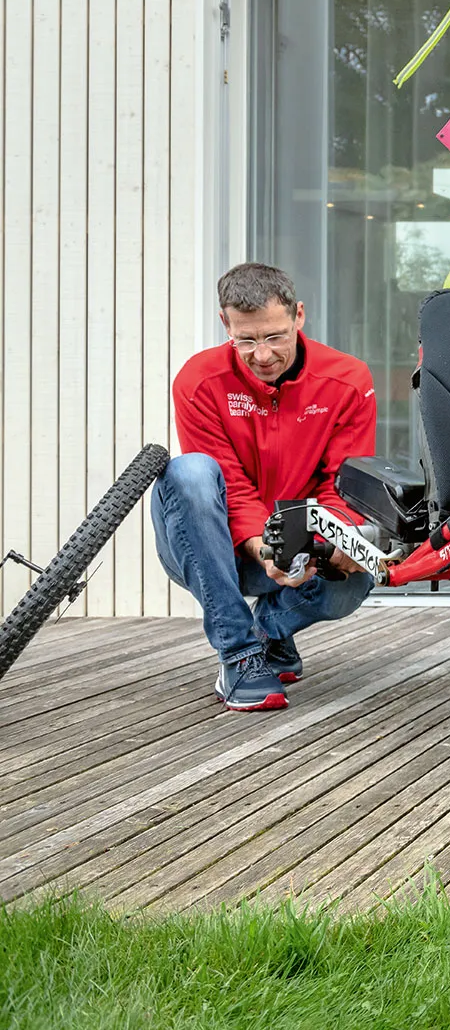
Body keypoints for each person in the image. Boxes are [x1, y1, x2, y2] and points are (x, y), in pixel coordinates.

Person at [151, 264, 377, 711]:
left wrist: (333, 541)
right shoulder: (198, 381)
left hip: (297, 538)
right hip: (211, 548)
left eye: (274, 336)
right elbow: (228, 488)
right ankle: (239, 652)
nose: (262, 355)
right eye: (247, 340)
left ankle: (271, 633)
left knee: (358, 575)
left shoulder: (348, 380)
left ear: (299, 316)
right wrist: (265, 548)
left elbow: (342, 484)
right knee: (189, 471)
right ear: (225, 325)